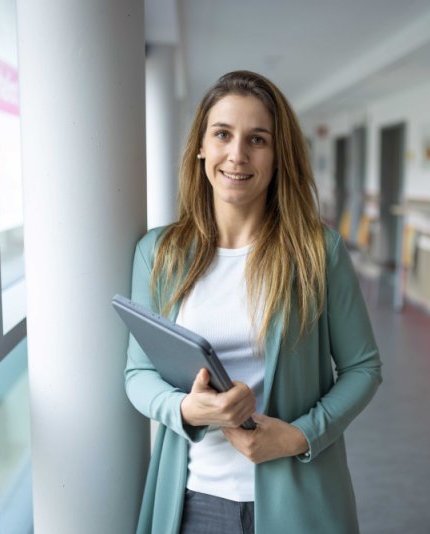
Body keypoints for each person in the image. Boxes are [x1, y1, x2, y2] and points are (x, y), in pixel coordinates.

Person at [124, 70, 382, 534]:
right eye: (223, 134)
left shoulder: (317, 252)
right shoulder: (158, 254)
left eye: (257, 139)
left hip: (299, 497)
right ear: (201, 145)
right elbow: (138, 375)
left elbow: (364, 367)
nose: (237, 155)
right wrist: (186, 410)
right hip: (194, 500)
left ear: (279, 154)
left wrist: (301, 435)